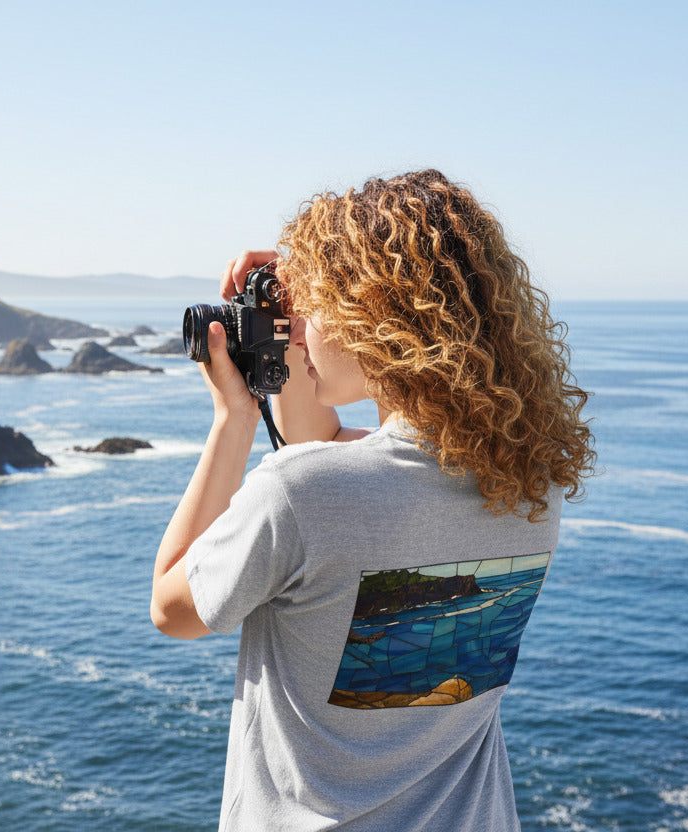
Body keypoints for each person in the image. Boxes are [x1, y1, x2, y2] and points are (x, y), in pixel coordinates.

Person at [151, 169, 595, 831]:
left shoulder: (304, 495)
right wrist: (288, 312)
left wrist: (233, 421)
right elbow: (337, 461)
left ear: (372, 315)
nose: (303, 329)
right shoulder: (529, 483)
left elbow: (172, 607)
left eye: (320, 304)